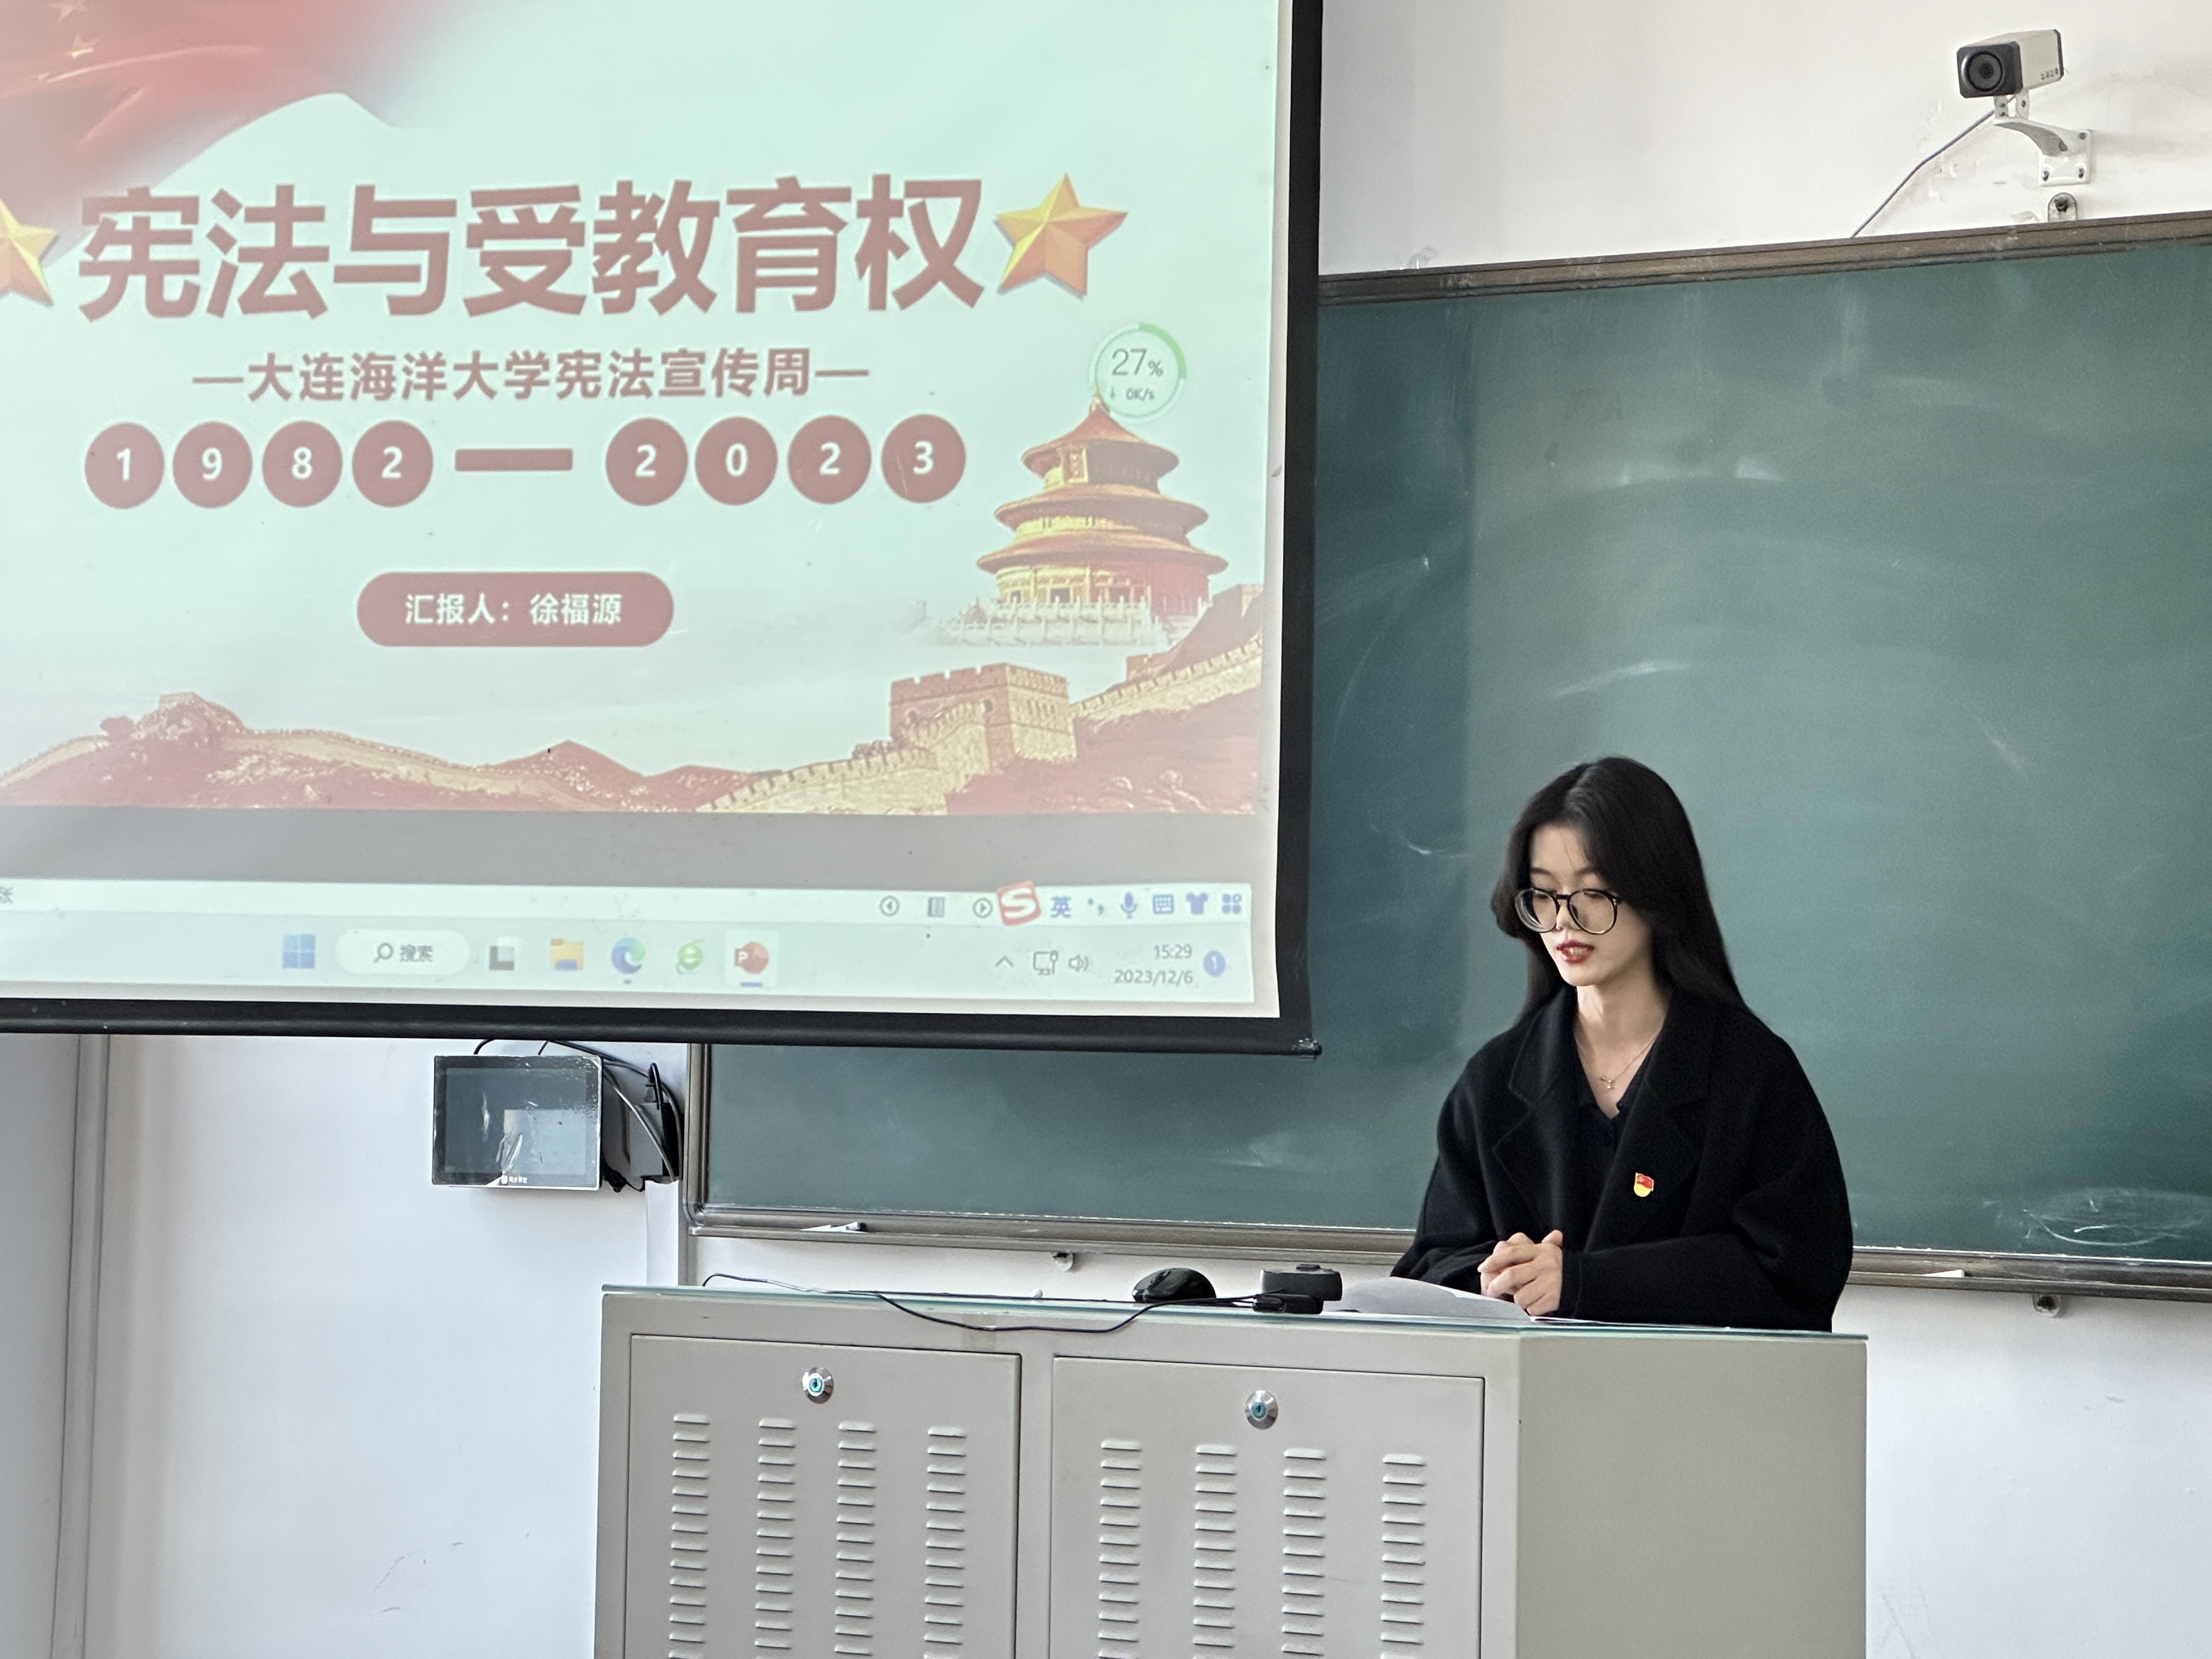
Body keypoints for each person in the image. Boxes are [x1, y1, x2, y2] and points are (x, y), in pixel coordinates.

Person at [1393, 757, 1853, 1330]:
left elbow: (1796, 1275)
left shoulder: (1751, 1073)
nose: (1564, 921)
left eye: (1593, 892)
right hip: (1530, 1385)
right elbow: (1431, 1262)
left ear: (1656, 892)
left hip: (1696, 1384)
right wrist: (1499, 1279)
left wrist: (1585, 1282)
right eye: (1544, 894)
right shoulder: (1494, 1082)